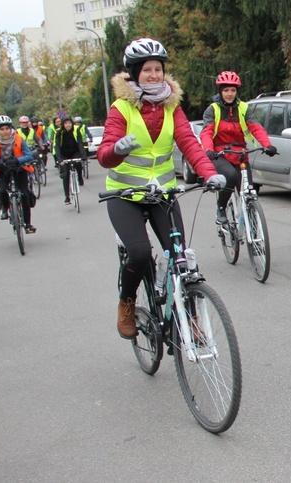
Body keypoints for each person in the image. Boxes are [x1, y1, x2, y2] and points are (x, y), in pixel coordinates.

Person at [97, 37, 225, 339]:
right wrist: (118, 148)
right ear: (135, 73)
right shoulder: (121, 108)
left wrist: (209, 173)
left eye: (157, 69)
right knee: (139, 254)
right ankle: (127, 303)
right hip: (123, 195)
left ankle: (189, 318)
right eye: (146, 70)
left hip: (162, 194)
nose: (153, 75)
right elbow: (104, 156)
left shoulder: (172, 107)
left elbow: (189, 144)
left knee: (180, 256)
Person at [200, 70, 277, 224]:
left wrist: (267, 145)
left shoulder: (243, 108)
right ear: (220, 91)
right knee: (229, 176)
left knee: (249, 189)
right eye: (226, 90)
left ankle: (251, 221)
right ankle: (221, 208)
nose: (229, 94)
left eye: (233, 90)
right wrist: (208, 150)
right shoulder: (213, 109)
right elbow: (207, 132)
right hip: (220, 153)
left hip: (240, 153)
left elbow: (255, 127)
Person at [0, 115, 37, 233]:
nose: (5, 131)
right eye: (2, 129)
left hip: (19, 169)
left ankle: (28, 224)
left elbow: (28, 155)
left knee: (24, 194)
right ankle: (5, 208)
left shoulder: (18, 139)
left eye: (7, 128)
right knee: (2, 191)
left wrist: (18, 160)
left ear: (10, 128)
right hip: (3, 171)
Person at [55, 116, 84, 204]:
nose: (68, 125)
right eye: (66, 123)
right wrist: (59, 158)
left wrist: (83, 155)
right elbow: (57, 146)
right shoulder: (59, 132)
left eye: (69, 123)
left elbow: (80, 143)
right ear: (63, 124)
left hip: (74, 151)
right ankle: (67, 196)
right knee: (65, 173)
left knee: (78, 163)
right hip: (64, 154)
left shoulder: (76, 130)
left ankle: (80, 177)